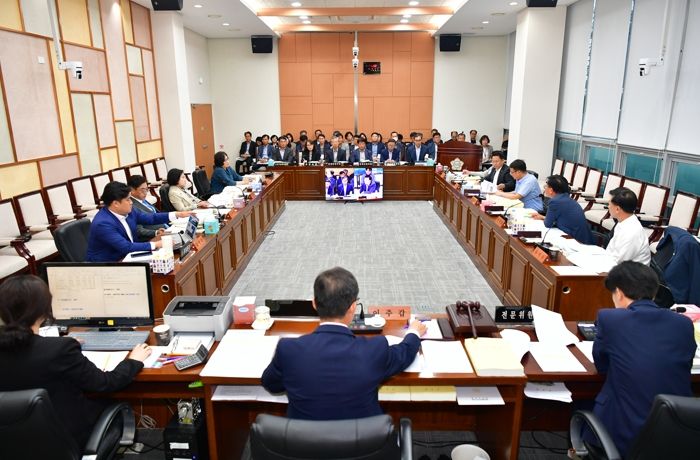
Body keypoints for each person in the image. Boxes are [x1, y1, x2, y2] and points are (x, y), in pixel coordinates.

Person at [0, 276, 152, 449]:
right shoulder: (60, 350)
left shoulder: (58, 348)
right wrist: (134, 360)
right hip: (67, 441)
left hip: (14, 445)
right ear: (44, 310)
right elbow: (106, 383)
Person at [261, 267, 427, 420]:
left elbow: (271, 384)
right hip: (363, 441)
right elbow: (405, 353)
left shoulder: (288, 349)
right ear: (353, 307)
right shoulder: (374, 349)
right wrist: (413, 332)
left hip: (303, 440)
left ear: (314, 303)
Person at [590, 261, 695, 458]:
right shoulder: (683, 323)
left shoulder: (610, 319)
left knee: (585, 402)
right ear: (654, 293)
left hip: (626, 437)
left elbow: (602, 365)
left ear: (619, 293)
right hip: (677, 435)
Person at [86, 181, 190, 261]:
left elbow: (151, 218)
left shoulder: (129, 211)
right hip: (110, 264)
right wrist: (157, 244)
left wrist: (177, 214)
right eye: (128, 199)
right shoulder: (103, 223)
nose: (131, 202)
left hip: (130, 256)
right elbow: (126, 247)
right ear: (116, 203)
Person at [531, 175, 594, 244]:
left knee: (538, 234)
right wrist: (542, 217)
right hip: (583, 237)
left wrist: (544, 219)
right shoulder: (565, 198)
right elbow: (562, 219)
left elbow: (548, 224)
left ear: (551, 190)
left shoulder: (555, 201)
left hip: (576, 240)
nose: (545, 188)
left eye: (546, 186)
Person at [605, 187, 651, 264]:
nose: (608, 207)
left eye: (609, 204)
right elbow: (611, 251)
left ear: (617, 209)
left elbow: (618, 263)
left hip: (628, 271)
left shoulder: (632, 232)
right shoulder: (623, 221)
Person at [128, 175, 167, 242]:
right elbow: (139, 230)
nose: (146, 192)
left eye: (146, 189)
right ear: (132, 190)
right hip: (155, 237)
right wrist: (156, 232)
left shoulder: (142, 200)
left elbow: (156, 214)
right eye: (142, 190)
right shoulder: (131, 206)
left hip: (167, 228)